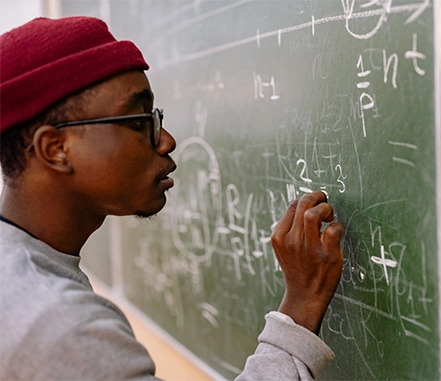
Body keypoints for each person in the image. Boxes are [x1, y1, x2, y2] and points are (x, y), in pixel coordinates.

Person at [0, 16, 344, 381]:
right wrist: (300, 307)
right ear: (56, 149)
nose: (166, 141)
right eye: (137, 120)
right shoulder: (61, 330)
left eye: (156, 117)